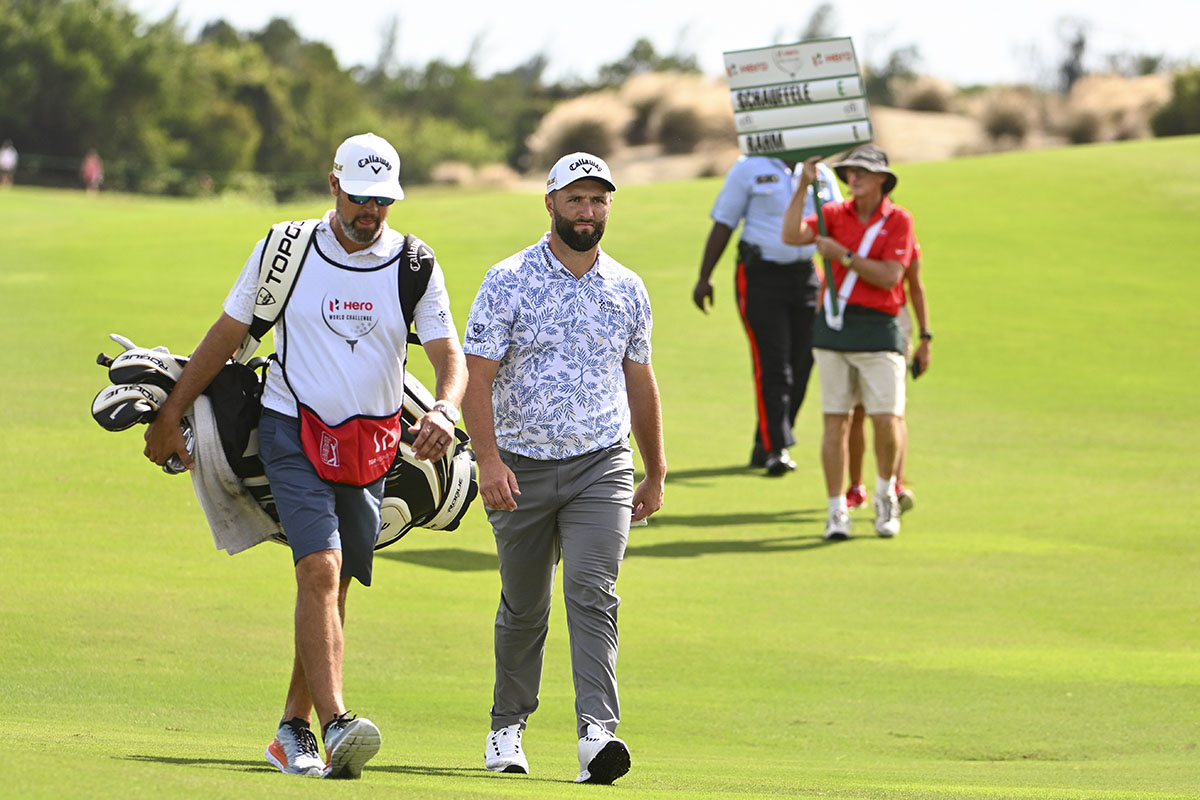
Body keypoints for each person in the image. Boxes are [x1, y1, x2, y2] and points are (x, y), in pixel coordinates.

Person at [143, 133, 467, 779]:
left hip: (371, 442)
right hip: (290, 426)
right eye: (358, 198)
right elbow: (230, 332)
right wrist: (172, 412)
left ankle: (292, 730)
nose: (369, 212)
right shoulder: (285, 248)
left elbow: (446, 354)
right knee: (319, 569)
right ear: (333, 185)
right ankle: (339, 721)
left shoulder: (413, 263)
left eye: (382, 201)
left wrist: (444, 409)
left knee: (334, 582)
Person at [462, 152, 666, 785]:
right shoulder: (508, 279)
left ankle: (596, 734)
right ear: (550, 204)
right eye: (575, 199)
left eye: (598, 200)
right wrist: (488, 462)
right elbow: (477, 380)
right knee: (525, 606)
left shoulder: (627, 287)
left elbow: (640, 381)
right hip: (518, 467)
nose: (588, 211)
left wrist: (655, 468)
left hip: (601, 467)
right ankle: (506, 728)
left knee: (592, 590)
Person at [782, 144, 915, 540]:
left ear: (881, 180)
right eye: (849, 172)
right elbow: (791, 235)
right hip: (834, 329)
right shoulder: (832, 214)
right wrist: (802, 187)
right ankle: (835, 509)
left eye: (861, 172)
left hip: (880, 329)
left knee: (885, 419)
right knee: (835, 421)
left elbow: (891, 276)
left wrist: (842, 255)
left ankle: (884, 495)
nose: (852, 178)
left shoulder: (899, 221)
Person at [693, 154, 842, 476]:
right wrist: (705, 276)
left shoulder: (822, 173)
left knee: (803, 362)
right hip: (760, 275)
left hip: (806, 276)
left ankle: (767, 439)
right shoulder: (749, 167)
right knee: (773, 364)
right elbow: (725, 222)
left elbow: (841, 226)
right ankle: (777, 448)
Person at [845, 244, 932, 513]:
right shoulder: (848, 224)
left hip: (893, 323)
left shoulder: (900, 228)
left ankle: (894, 484)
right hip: (853, 321)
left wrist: (925, 337)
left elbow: (914, 284)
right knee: (856, 410)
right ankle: (856, 486)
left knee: (892, 413)